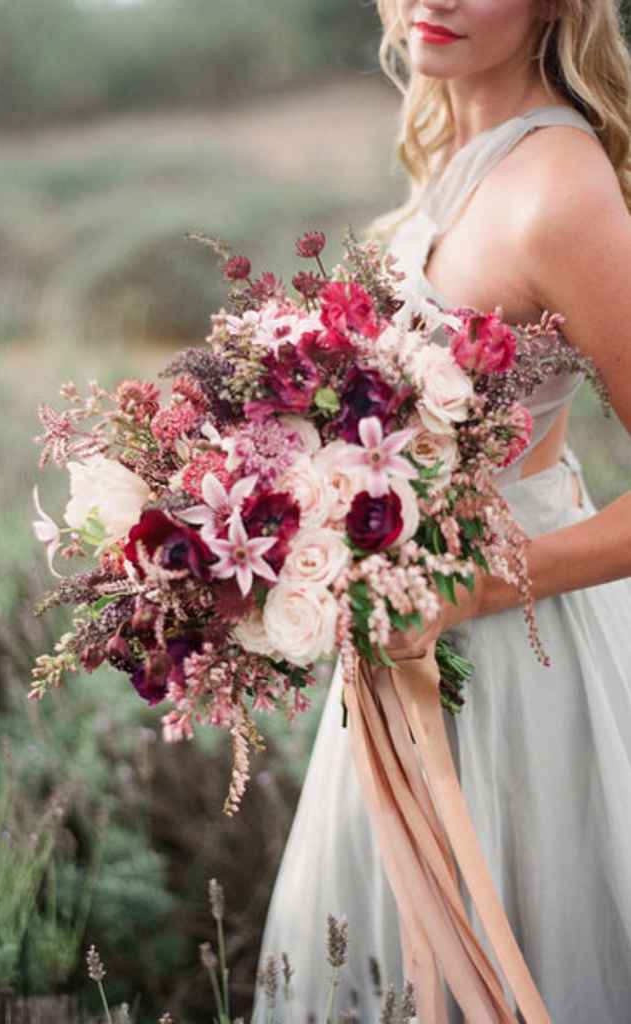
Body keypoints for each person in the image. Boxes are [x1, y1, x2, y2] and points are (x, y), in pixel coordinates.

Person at [255, 1, 631, 1021]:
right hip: (408, 648)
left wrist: (466, 589)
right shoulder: (457, 159)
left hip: (513, 659)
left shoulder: (558, 190)